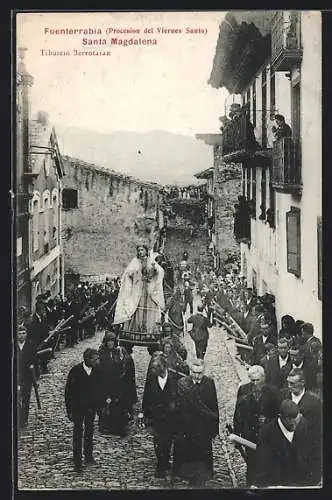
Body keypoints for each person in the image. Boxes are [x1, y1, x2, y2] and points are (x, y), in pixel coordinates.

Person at [173, 359, 219, 487]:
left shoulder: (209, 383)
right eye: (194, 372)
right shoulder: (183, 383)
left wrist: (214, 428)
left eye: (199, 373)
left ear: (203, 372)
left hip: (203, 427)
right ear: (190, 371)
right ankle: (188, 476)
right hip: (187, 427)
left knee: (203, 453)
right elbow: (178, 407)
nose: (197, 376)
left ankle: (202, 476)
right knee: (188, 453)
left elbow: (213, 406)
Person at [252, 400, 319, 487]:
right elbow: (262, 463)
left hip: (303, 481)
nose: (294, 427)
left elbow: (314, 453)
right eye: (291, 425)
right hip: (279, 482)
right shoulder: (266, 433)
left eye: (296, 422)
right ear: (282, 417)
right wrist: (258, 485)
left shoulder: (304, 424)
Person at [232, 365, 279, 486]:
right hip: (249, 434)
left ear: (264, 378)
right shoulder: (243, 389)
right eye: (252, 380)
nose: (255, 383)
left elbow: (278, 414)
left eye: (258, 380)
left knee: (265, 462)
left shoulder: (273, 391)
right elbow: (238, 413)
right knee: (251, 463)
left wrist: (268, 420)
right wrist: (237, 435)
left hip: (267, 435)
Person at [113, 244, 165, 346]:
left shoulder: (151, 261)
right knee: (135, 309)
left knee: (149, 310)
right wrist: (135, 272)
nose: (141, 252)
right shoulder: (135, 262)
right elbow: (128, 273)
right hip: (137, 290)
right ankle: (134, 333)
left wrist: (154, 271)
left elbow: (160, 271)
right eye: (139, 250)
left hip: (148, 290)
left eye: (142, 250)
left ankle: (149, 333)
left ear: (146, 251)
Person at [142, 352, 179, 479]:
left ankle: (163, 464)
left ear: (163, 367)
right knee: (158, 442)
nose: (152, 370)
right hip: (156, 417)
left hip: (171, 418)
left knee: (167, 442)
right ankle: (161, 464)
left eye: (155, 367)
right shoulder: (152, 379)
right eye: (152, 367)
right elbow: (146, 396)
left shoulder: (174, 378)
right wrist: (144, 413)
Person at [65, 348, 102, 473]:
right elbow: (68, 392)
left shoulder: (97, 371)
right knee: (78, 433)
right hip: (78, 408)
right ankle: (77, 461)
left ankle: (88, 455)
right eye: (95, 359)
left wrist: (99, 407)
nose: (98, 361)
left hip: (90, 408)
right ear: (87, 359)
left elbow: (99, 390)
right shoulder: (75, 371)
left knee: (89, 431)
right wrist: (69, 410)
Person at [17, 325, 38, 429]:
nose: (21, 336)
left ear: (27, 334)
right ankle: (19, 416)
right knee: (16, 398)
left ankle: (23, 419)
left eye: (23, 333)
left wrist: (35, 377)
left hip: (27, 377)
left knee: (26, 398)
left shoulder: (31, 345)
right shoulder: (13, 346)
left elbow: (35, 361)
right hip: (16, 376)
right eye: (19, 334)